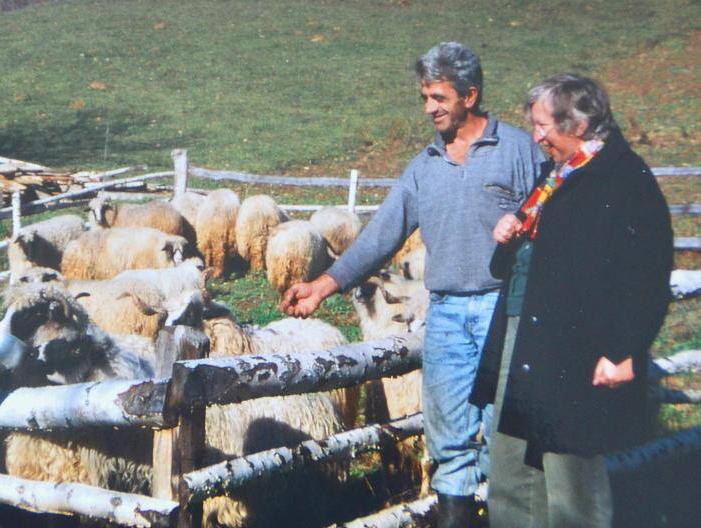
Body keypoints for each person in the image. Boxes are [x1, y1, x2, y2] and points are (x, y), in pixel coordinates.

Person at [279, 42, 544, 526]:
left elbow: (552, 221)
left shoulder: (519, 151)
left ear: (470, 94)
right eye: (425, 97)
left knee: (502, 431)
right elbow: (382, 234)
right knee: (446, 428)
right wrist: (324, 285)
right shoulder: (424, 166)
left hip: (504, 309)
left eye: (439, 97)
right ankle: (457, 515)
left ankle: (501, 514)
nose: (429, 108)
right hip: (443, 311)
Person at [470, 74, 673, 527]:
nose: (536, 136)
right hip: (523, 334)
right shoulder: (558, 173)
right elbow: (536, 247)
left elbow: (647, 276)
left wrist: (624, 350)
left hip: (577, 348)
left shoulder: (624, 180)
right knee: (512, 467)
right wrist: (509, 235)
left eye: (543, 126)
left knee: (570, 479)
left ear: (578, 124)